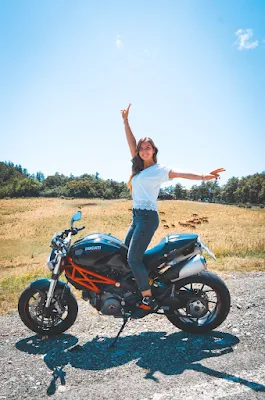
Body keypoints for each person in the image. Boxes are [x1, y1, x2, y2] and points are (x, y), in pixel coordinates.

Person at [121, 103, 225, 316]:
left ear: (154, 150)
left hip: (148, 218)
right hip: (137, 217)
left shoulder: (160, 170)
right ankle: (134, 288)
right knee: (124, 255)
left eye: (148, 147)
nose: (143, 150)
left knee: (133, 259)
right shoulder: (139, 170)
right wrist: (126, 122)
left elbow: (182, 174)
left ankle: (147, 298)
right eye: (142, 148)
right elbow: (131, 143)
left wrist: (205, 176)